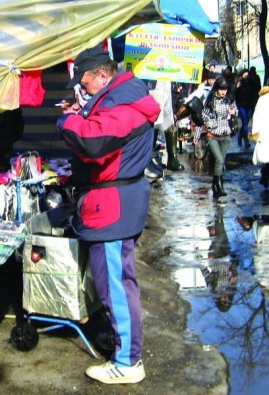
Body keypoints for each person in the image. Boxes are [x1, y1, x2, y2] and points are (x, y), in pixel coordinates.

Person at [56, 45, 160, 385]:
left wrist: (67, 119)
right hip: (113, 203)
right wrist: (82, 110)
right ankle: (122, 345)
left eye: (84, 83)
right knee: (112, 281)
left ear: (103, 75)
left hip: (113, 206)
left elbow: (93, 140)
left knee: (116, 285)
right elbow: (102, 130)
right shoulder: (119, 98)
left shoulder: (125, 103)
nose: (81, 89)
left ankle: (128, 362)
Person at [194, 77, 238, 199]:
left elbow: (236, 111)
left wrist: (234, 112)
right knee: (219, 160)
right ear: (216, 89)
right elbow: (201, 120)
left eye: (225, 89)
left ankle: (214, 184)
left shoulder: (229, 100)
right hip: (212, 135)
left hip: (225, 135)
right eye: (221, 89)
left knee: (220, 161)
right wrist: (197, 136)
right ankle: (220, 184)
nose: (224, 92)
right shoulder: (210, 102)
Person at [235, 69, 257, 147]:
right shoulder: (239, 83)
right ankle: (246, 140)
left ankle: (240, 137)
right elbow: (234, 94)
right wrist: (237, 88)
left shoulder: (252, 83)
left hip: (249, 105)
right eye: (244, 75)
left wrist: (254, 103)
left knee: (246, 123)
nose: (246, 77)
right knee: (245, 124)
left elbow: (255, 94)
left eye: (247, 75)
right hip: (241, 105)